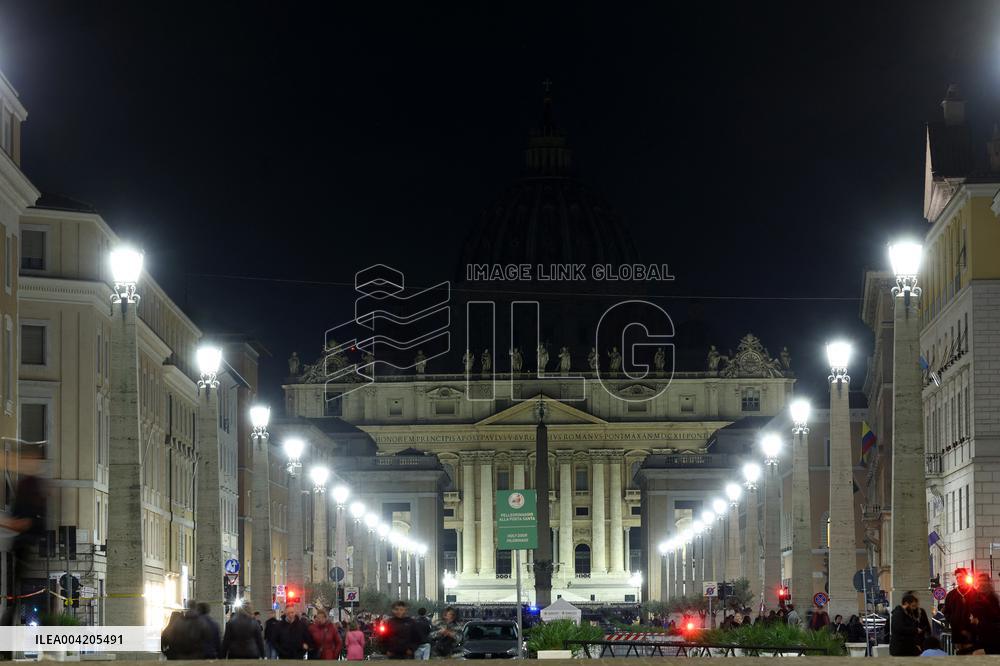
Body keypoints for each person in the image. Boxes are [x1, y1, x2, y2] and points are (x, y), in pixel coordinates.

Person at [945, 568, 977, 654]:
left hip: (970, 631)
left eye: (961, 577)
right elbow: (947, 612)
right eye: (957, 577)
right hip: (956, 631)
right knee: (959, 656)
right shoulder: (951, 595)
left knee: (970, 654)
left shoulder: (975, 593)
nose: (959, 579)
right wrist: (952, 619)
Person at [970, 572, 1000, 654]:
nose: (982, 583)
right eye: (980, 580)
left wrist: (978, 622)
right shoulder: (975, 595)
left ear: (988, 582)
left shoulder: (992, 598)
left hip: (990, 636)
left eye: (984, 580)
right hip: (977, 634)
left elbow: (995, 618)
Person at [890, 591, 923, 657]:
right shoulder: (898, 613)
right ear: (906, 603)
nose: (914, 608)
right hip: (901, 649)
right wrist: (915, 630)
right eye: (912, 606)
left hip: (907, 648)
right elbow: (899, 628)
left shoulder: (907, 614)